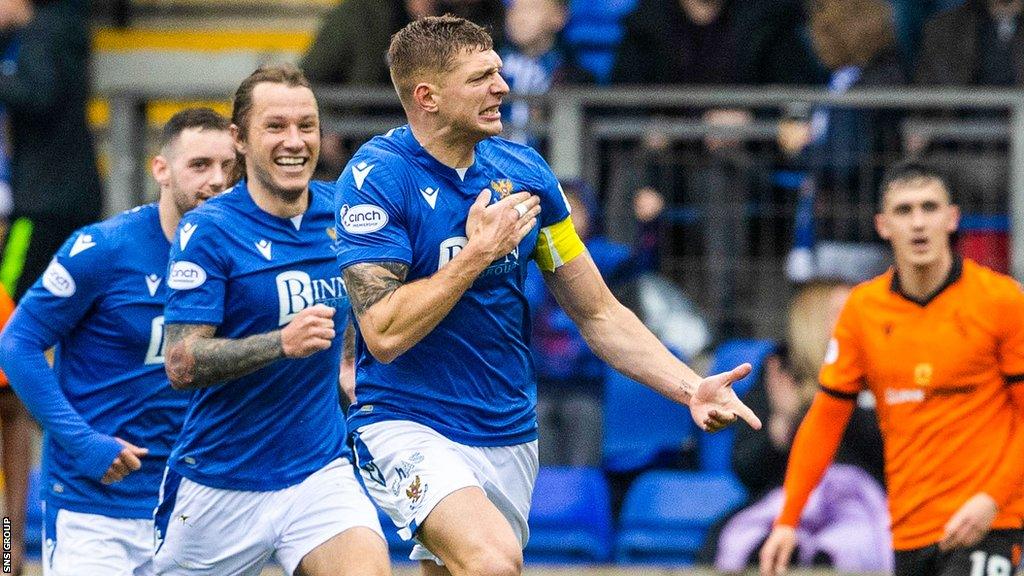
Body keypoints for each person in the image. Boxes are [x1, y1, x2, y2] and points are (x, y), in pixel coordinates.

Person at [334, 16, 761, 576]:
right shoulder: (375, 179)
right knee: (492, 562)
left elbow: (599, 311)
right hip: (407, 420)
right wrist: (475, 256)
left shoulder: (526, 174)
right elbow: (382, 333)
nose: (503, 87)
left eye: (499, 71)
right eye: (481, 78)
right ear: (427, 97)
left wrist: (689, 388)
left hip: (507, 427)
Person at [157, 64, 390, 576]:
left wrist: (350, 363)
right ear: (240, 139)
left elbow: (360, 306)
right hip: (220, 483)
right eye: (276, 126)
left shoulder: (344, 213)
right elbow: (180, 363)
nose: (295, 141)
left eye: (307, 126)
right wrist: (280, 343)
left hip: (318, 472)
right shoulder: (208, 229)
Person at [0, 107, 236, 576]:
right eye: (200, 165)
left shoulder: (238, 255)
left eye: (228, 167)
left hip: (191, 506)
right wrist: (82, 443)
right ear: (161, 170)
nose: (217, 180)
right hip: (93, 511)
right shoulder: (104, 249)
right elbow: (16, 348)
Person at [760, 162, 1024, 576]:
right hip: (909, 528)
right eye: (904, 211)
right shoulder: (863, 310)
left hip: (992, 521)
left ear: (951, 218)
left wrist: (992, 497)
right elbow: (826, 419)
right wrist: (788, 518)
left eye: (929, 207)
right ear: (883, 225)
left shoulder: (1001, 301)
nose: (918, 223)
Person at [713, 280, 888, 572]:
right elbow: (746, 469)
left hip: (859, 502)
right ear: (812, 321)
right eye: (842, 314)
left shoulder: (879, 370)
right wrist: (782, 422)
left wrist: (840, 402)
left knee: (852, 547)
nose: (857, 323)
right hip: (783, 500)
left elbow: (890, 456)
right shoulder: (780, 372)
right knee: (738, 539)